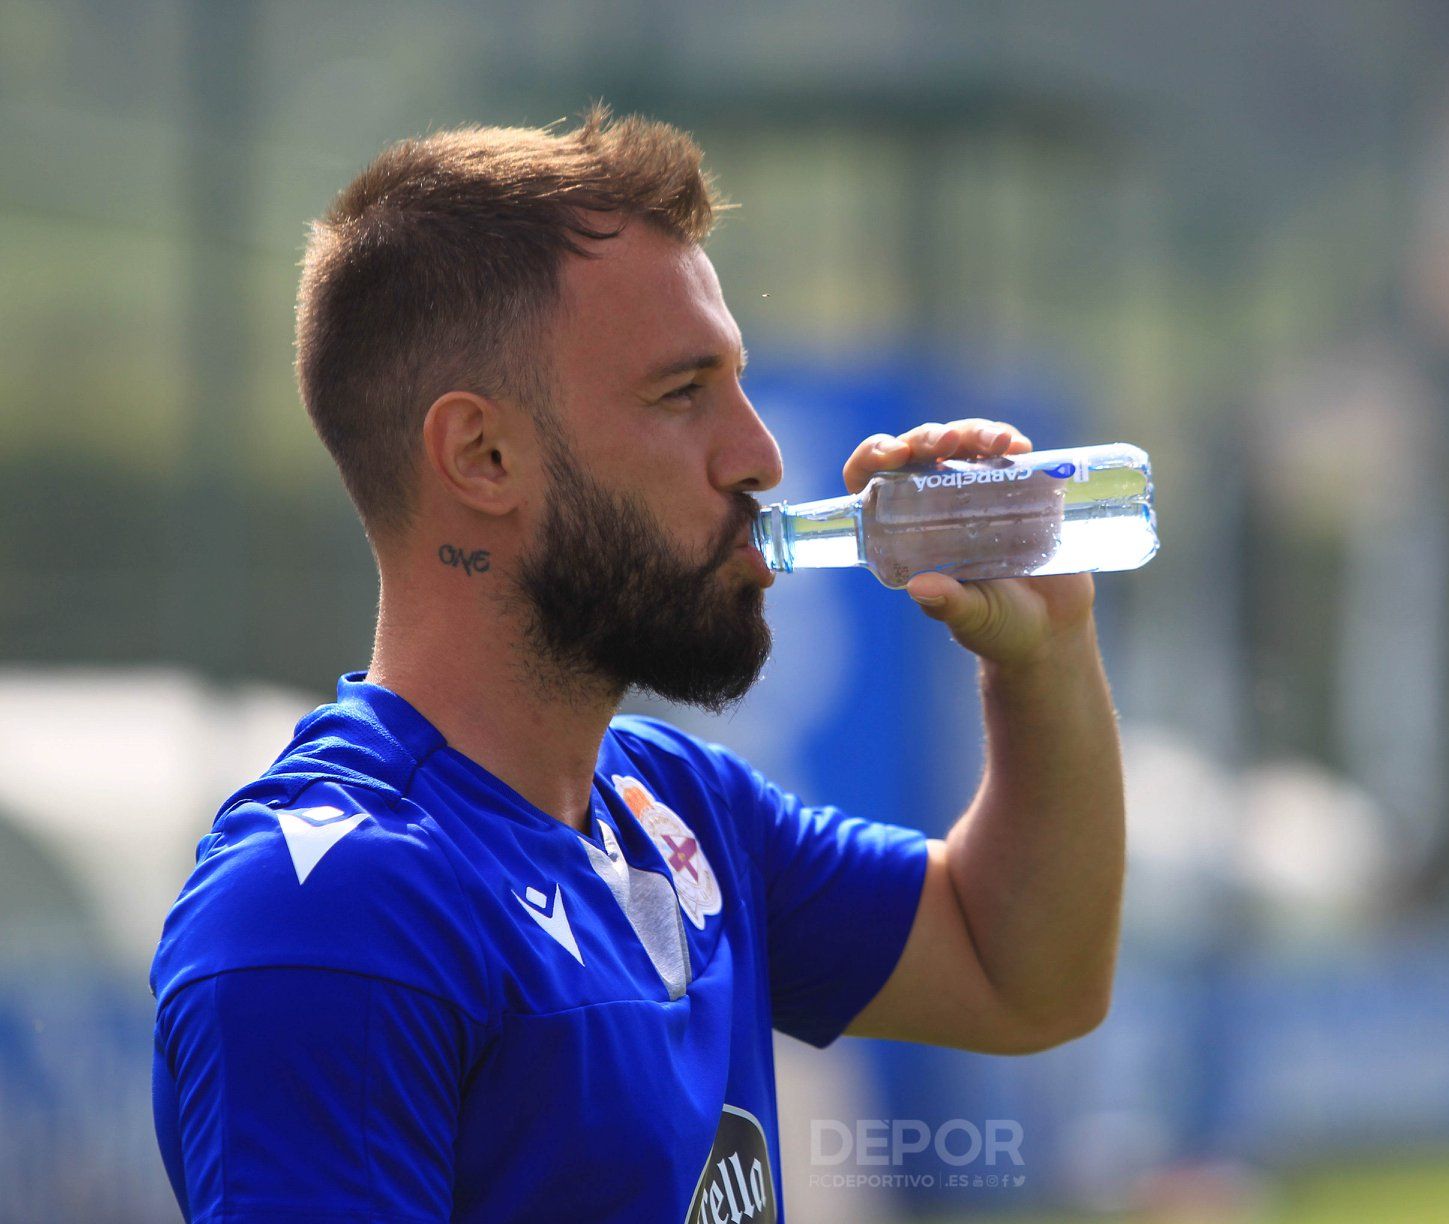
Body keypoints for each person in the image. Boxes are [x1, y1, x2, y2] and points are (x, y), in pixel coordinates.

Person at [149, 106, 1125, 1223]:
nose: (759, 456)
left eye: (737, 384)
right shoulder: (330, 916)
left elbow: (1024, 974)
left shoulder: (679, 807)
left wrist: (1044, 656)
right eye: (682, 394)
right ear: (484, 455)